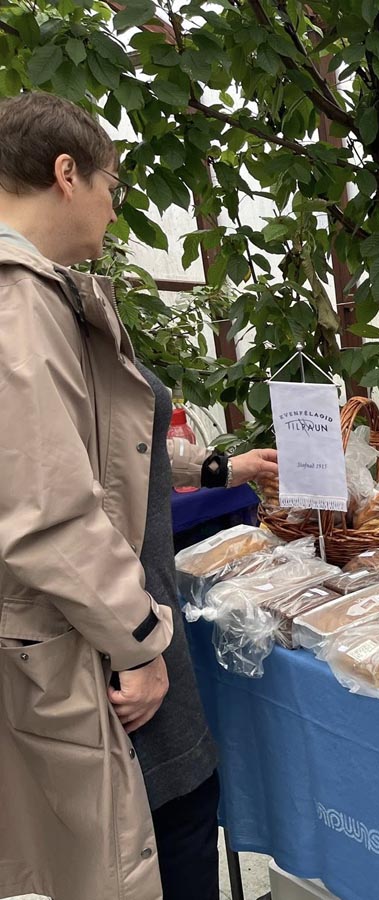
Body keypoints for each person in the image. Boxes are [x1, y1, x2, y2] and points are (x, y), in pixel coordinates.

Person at [0, 92, 278, 900]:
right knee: (170, 828)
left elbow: (96, 446)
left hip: (101, 627)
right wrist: (141, 643)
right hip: (96, 643)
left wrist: (217, 470)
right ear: (66, 174)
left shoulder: (45, 291)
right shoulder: (18, 302)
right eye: (111, 185)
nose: (114, 207)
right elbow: (47, 515)